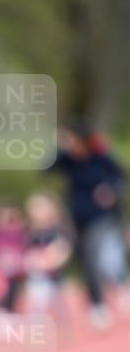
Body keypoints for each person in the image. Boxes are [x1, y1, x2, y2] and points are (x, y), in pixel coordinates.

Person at [50, 122, 128, 328]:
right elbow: (46, 168)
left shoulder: (100, 156)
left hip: (100, 218)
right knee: (84, 261)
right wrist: (55, 146)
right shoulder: (67, 159)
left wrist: (110, 190)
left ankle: (116, 287)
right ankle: (96, 303)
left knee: (96, 256)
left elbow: (120, 176)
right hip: (77, 218)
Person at [23, 193, 72, 323]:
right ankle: (36, 322)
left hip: (55, 275)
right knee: (37, 299)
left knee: (57, 300)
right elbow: (26, 251)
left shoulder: (56, 231)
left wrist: (55, 259)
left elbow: (63, 249)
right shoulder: (29, 232)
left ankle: (62, 322)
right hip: (37, 275)